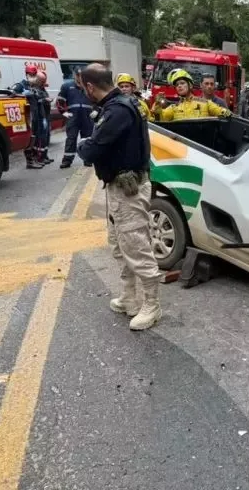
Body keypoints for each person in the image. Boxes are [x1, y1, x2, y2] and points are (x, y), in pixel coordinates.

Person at [77, 64, 161, 331]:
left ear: (90, 86)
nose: (84, 93)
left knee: (136, 246)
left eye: (84, 88)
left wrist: (82, 145)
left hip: (129, 190)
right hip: (118, 187)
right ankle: (130, 297)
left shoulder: (117, 111)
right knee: (119, 244)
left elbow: (92, 150)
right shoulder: (121, 105)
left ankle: (151, 304)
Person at [154, 69, 231, 121]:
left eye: (182, 83)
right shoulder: (174, 107)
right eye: (177, 85)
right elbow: (160, 119)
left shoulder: (204, 102)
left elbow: (223, 112)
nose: (179, 86)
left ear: (190, 85)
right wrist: (157, 105)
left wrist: (228, 114)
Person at [56, 68, 93, 169]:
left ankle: (88, 159)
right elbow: (59, 101)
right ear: (75, 75)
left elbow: (96, 100)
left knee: (87, 138)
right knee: (71, 138)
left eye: (82, 75)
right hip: (73, 117)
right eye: (78, 75)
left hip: (87, 116)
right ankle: (67, 160)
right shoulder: (67, 86)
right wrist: (63, 112)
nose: (80, 78)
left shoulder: (89, 86)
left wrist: (95, 112)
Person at [11, 65, 44, 169]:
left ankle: (34, 159)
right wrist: (22, 94)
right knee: (30, 138)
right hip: (27, 117)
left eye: (34, 75)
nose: (33, 77)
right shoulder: (21, 85)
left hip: (35, 116)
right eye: (31, 75)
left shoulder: (33, 87)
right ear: (26, 75)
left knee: (35, 137)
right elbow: (11, 94)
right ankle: (29, 161)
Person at [35, 70, 53, 165]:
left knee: (47, 137)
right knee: (42, 137)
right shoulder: (35, 89)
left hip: (46, 115)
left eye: (44, 81)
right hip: (41, 116)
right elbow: (36, 100)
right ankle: (40, 157)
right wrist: (44, 100)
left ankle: (45, 156)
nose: (43, 83)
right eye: (42, 81)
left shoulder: (42, 89)